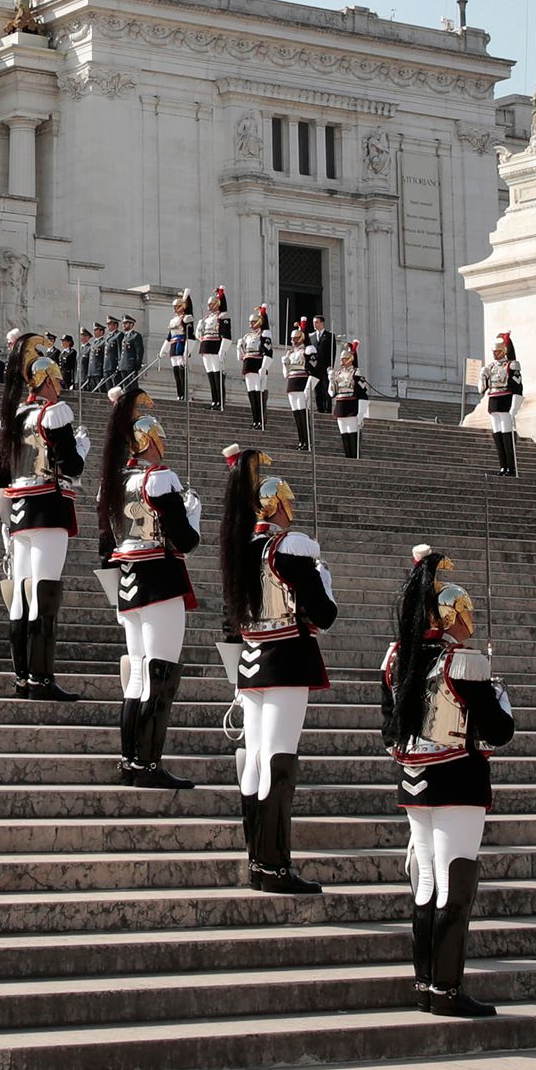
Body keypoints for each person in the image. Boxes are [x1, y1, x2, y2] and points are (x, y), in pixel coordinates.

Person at [383, 545, 517, 1016]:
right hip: (458, 778)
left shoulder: (399, 657)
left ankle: (426, 984)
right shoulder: (465, 663)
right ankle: (448, 989)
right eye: (465, 612)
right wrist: (498, 693)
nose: (469, 620)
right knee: (454, 882)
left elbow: (389, 725)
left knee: (425, 885)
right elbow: (498, 731)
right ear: (450, 615)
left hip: (415, 780)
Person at [220, 446, 335, 893]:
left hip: (251, 661)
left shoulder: (242, 547)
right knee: (278, 761)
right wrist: (321, 578)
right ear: (281, 506)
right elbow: (323, 614)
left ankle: (258, 861)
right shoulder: (292, 548)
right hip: (286, 658)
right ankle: (275, 865)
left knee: (255, 761)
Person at [96, 387, 198, 789]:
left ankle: (131, 759)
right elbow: (184, 540)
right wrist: (193, 513)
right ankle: (150, 763)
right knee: (160, 674)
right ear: (151, 441)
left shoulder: (119, 481)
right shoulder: (160, 480)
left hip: (130, 581)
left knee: (138, 675)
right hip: (159, 579)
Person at [0, 333, 88, 700]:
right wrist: (80, 445)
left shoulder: (17, 415)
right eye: (58, 379)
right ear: (47, 380)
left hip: (19, 510)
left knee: (22, 594)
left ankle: (22, 677)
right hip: (48, 506)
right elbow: (70, 464)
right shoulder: (55, 413)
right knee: (44, 595)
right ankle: (42, 679)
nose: (61, 385)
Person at [476, 333, 523, 475]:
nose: (495, 354)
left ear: (504, 351)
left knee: (506, 433)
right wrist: (482, 377)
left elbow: (518, 388)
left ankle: (511, 466)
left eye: (497, 351)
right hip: (493, 401)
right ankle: (502, 465)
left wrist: (514, 408)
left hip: (506, 401)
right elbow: (481, 390)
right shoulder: (490, 367)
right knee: (497, 434)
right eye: (493, 352)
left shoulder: (511, 365)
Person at [328, 339, 367, 459]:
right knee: (344, 434)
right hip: (340, 406)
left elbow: (362, 393)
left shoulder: (356, 373)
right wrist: (331, 380)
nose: (342, 361)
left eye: (344, 359)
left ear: (350, 359)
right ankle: (348, 457)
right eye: (341, 359)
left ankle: (354, 457)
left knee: (352, 433)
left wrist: (361, 412)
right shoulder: (338, 373)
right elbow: (331, 393)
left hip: (351, 406)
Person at [196, 289, 232, 408]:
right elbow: (199, 335)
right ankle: (214, 400)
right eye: (208, 304)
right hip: (206, 346)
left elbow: (226, 335)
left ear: (218, 304)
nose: (209, 306)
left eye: (211, 304)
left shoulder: (223, 316)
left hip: (216, 346)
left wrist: (222, 350)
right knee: (210, 374)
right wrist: (198, 327)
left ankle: (220, 401)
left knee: (218, 374)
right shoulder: (206, 318)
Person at [239, 304, 274, 428]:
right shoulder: (247, 337)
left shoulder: (264, 335)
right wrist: (239, 348)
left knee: (259, 393)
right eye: (250, 322)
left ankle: (261, 419)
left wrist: (264, 367)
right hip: (248, 365)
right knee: (251, 394)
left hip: (258, 365)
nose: (251, 325)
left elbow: (268, 351)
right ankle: (255, 420)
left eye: (253, 322)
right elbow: (241, 356)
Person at [282, 318, 314, 449]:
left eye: (296, 338)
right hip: (292, 383)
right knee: (296, 414)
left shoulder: (307, 350)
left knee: (303, 413)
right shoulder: (290, 353)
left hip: (302, 382)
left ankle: (307, 441)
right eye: (292, 338)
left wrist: (308, 386)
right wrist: (284, 363)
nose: (293, 341)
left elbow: (312, 369)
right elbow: (286, 374)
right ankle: (301, 440)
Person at [166, 295, 195, 402]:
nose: (175, 308)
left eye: (177, 306)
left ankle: (185, 393)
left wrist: (187, 351)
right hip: (173, 345)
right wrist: (164, 350)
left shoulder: (187, 318)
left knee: (181, 370)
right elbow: (169, 336)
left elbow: (191, 335)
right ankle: (179, 394)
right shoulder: (173, 320)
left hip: (181, 344)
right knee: (176, 371)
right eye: (174, 306)